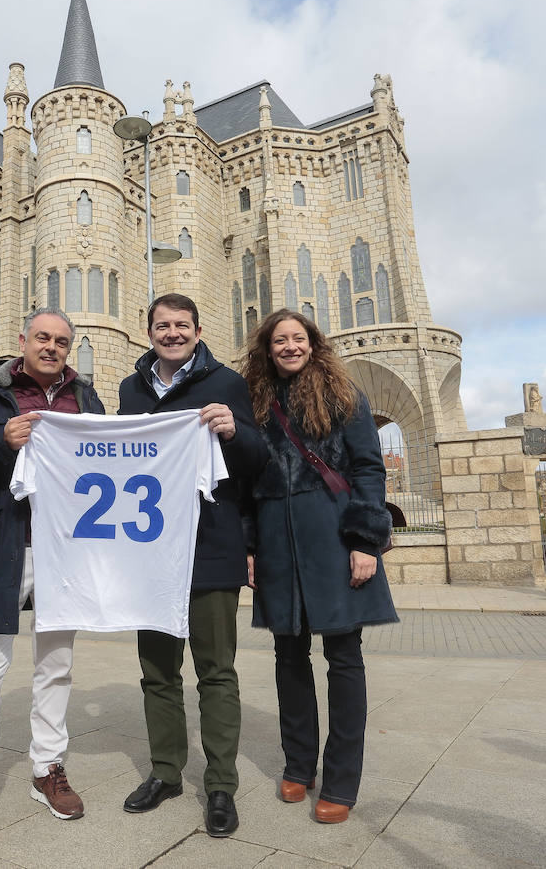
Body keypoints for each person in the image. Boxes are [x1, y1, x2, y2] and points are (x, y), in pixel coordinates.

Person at [0, 308, 105, 857]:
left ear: (69, 348)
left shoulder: (88, 399)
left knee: (56, 666)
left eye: (61, 341)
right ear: (22, 341)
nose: (52, 347)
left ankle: (47, 769)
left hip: (66, 550)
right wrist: (1, 443)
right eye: (43, 338)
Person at [117, 293, 268, 839]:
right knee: (158, 671)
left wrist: (236, 430)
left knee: (216, 671)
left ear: (198, 331)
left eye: (182, 325)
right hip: (150, 553)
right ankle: (165, 773)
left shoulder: (227, 385)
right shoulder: (130, 390)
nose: (173, 333)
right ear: (149, 330)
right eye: (163, 325)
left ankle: (221, 784)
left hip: (210, 547)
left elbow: (257, 465)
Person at [240, 309, 398, 824]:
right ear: (267, 349)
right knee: (289, 657)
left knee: (344, 658)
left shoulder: (343, 395)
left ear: (313, 343)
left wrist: (364, 542)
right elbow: (243, 479)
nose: (289, 347)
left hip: (333, 532)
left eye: (297, 338)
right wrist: (251, 546)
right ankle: (298, 763)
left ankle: (342, 779)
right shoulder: (256, 402)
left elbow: (369, 468)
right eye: (279, 340)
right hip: (275, 538)